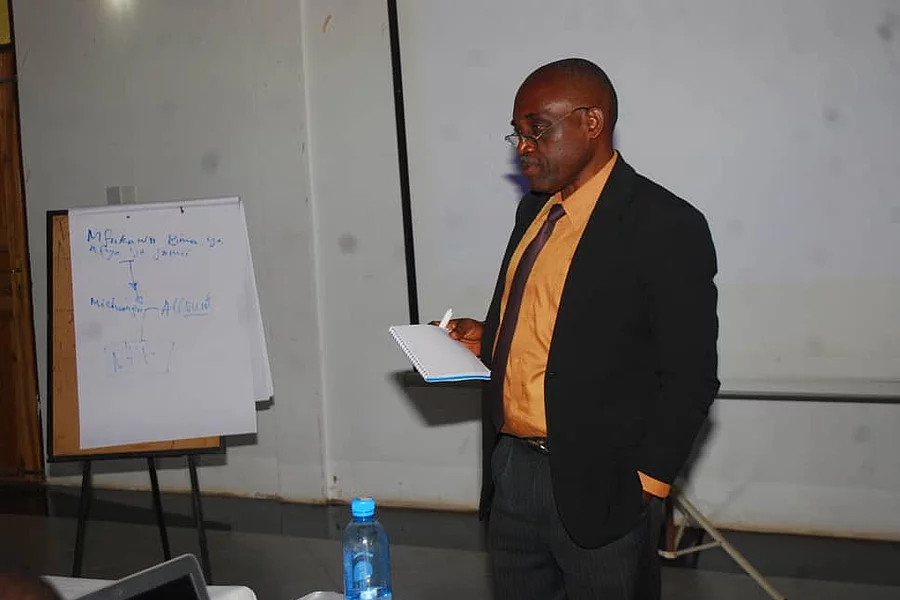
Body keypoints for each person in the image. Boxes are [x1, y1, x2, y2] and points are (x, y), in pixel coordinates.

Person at [441, 58, 720, 600]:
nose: (522, 147)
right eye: (517, 133)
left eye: (536, 130)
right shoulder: (534, 213)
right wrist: (488, 335)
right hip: (514, 473)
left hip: (605, 486)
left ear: (591, 122)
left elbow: (690, 374)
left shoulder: (665, 224)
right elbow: (557, 325)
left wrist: (647, 486)